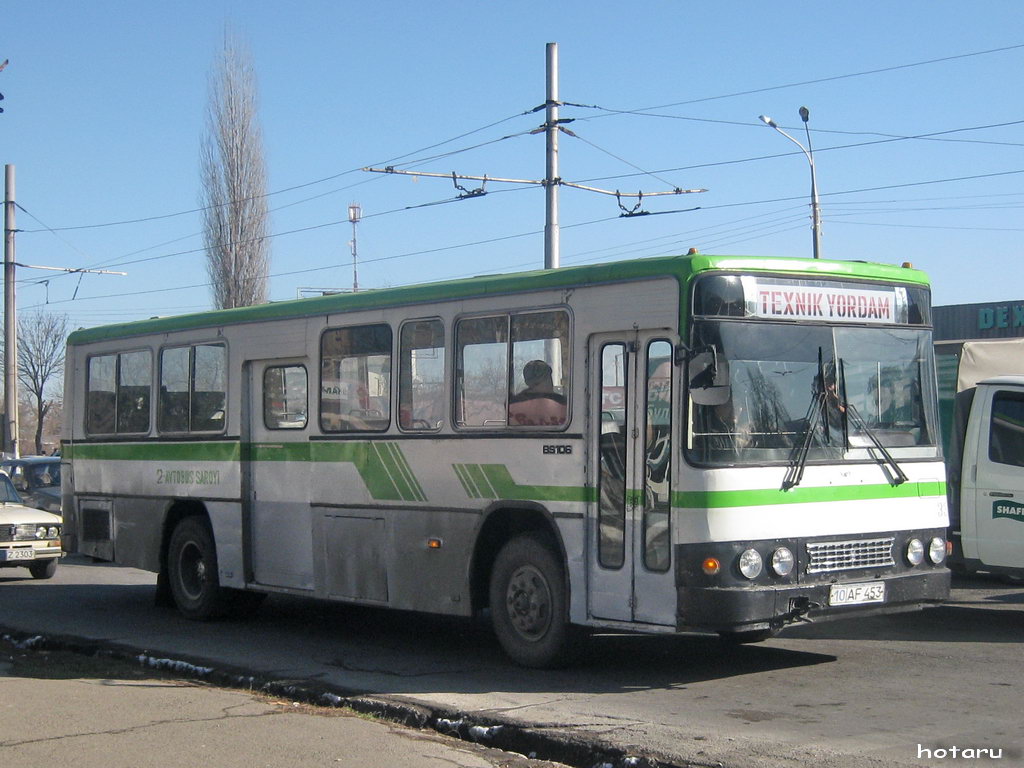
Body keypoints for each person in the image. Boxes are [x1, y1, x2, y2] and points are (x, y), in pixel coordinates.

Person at [508, 360, 567, 426]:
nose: (550, 382)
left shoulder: (511, 405)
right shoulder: (564, 404)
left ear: (527, 382)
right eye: (548, 378)